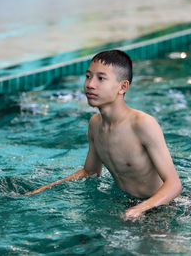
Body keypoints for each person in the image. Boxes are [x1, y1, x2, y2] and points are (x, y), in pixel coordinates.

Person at [25, 50, 182, 221]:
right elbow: (91, 171)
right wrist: (48, 187)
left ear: (123, 87)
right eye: (88, 76)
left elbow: (174, 185)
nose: (90, 84)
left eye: (101, 78)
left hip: (161, 208)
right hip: (125, 205)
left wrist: (139, 209)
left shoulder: (142, 124)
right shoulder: (95, 124)